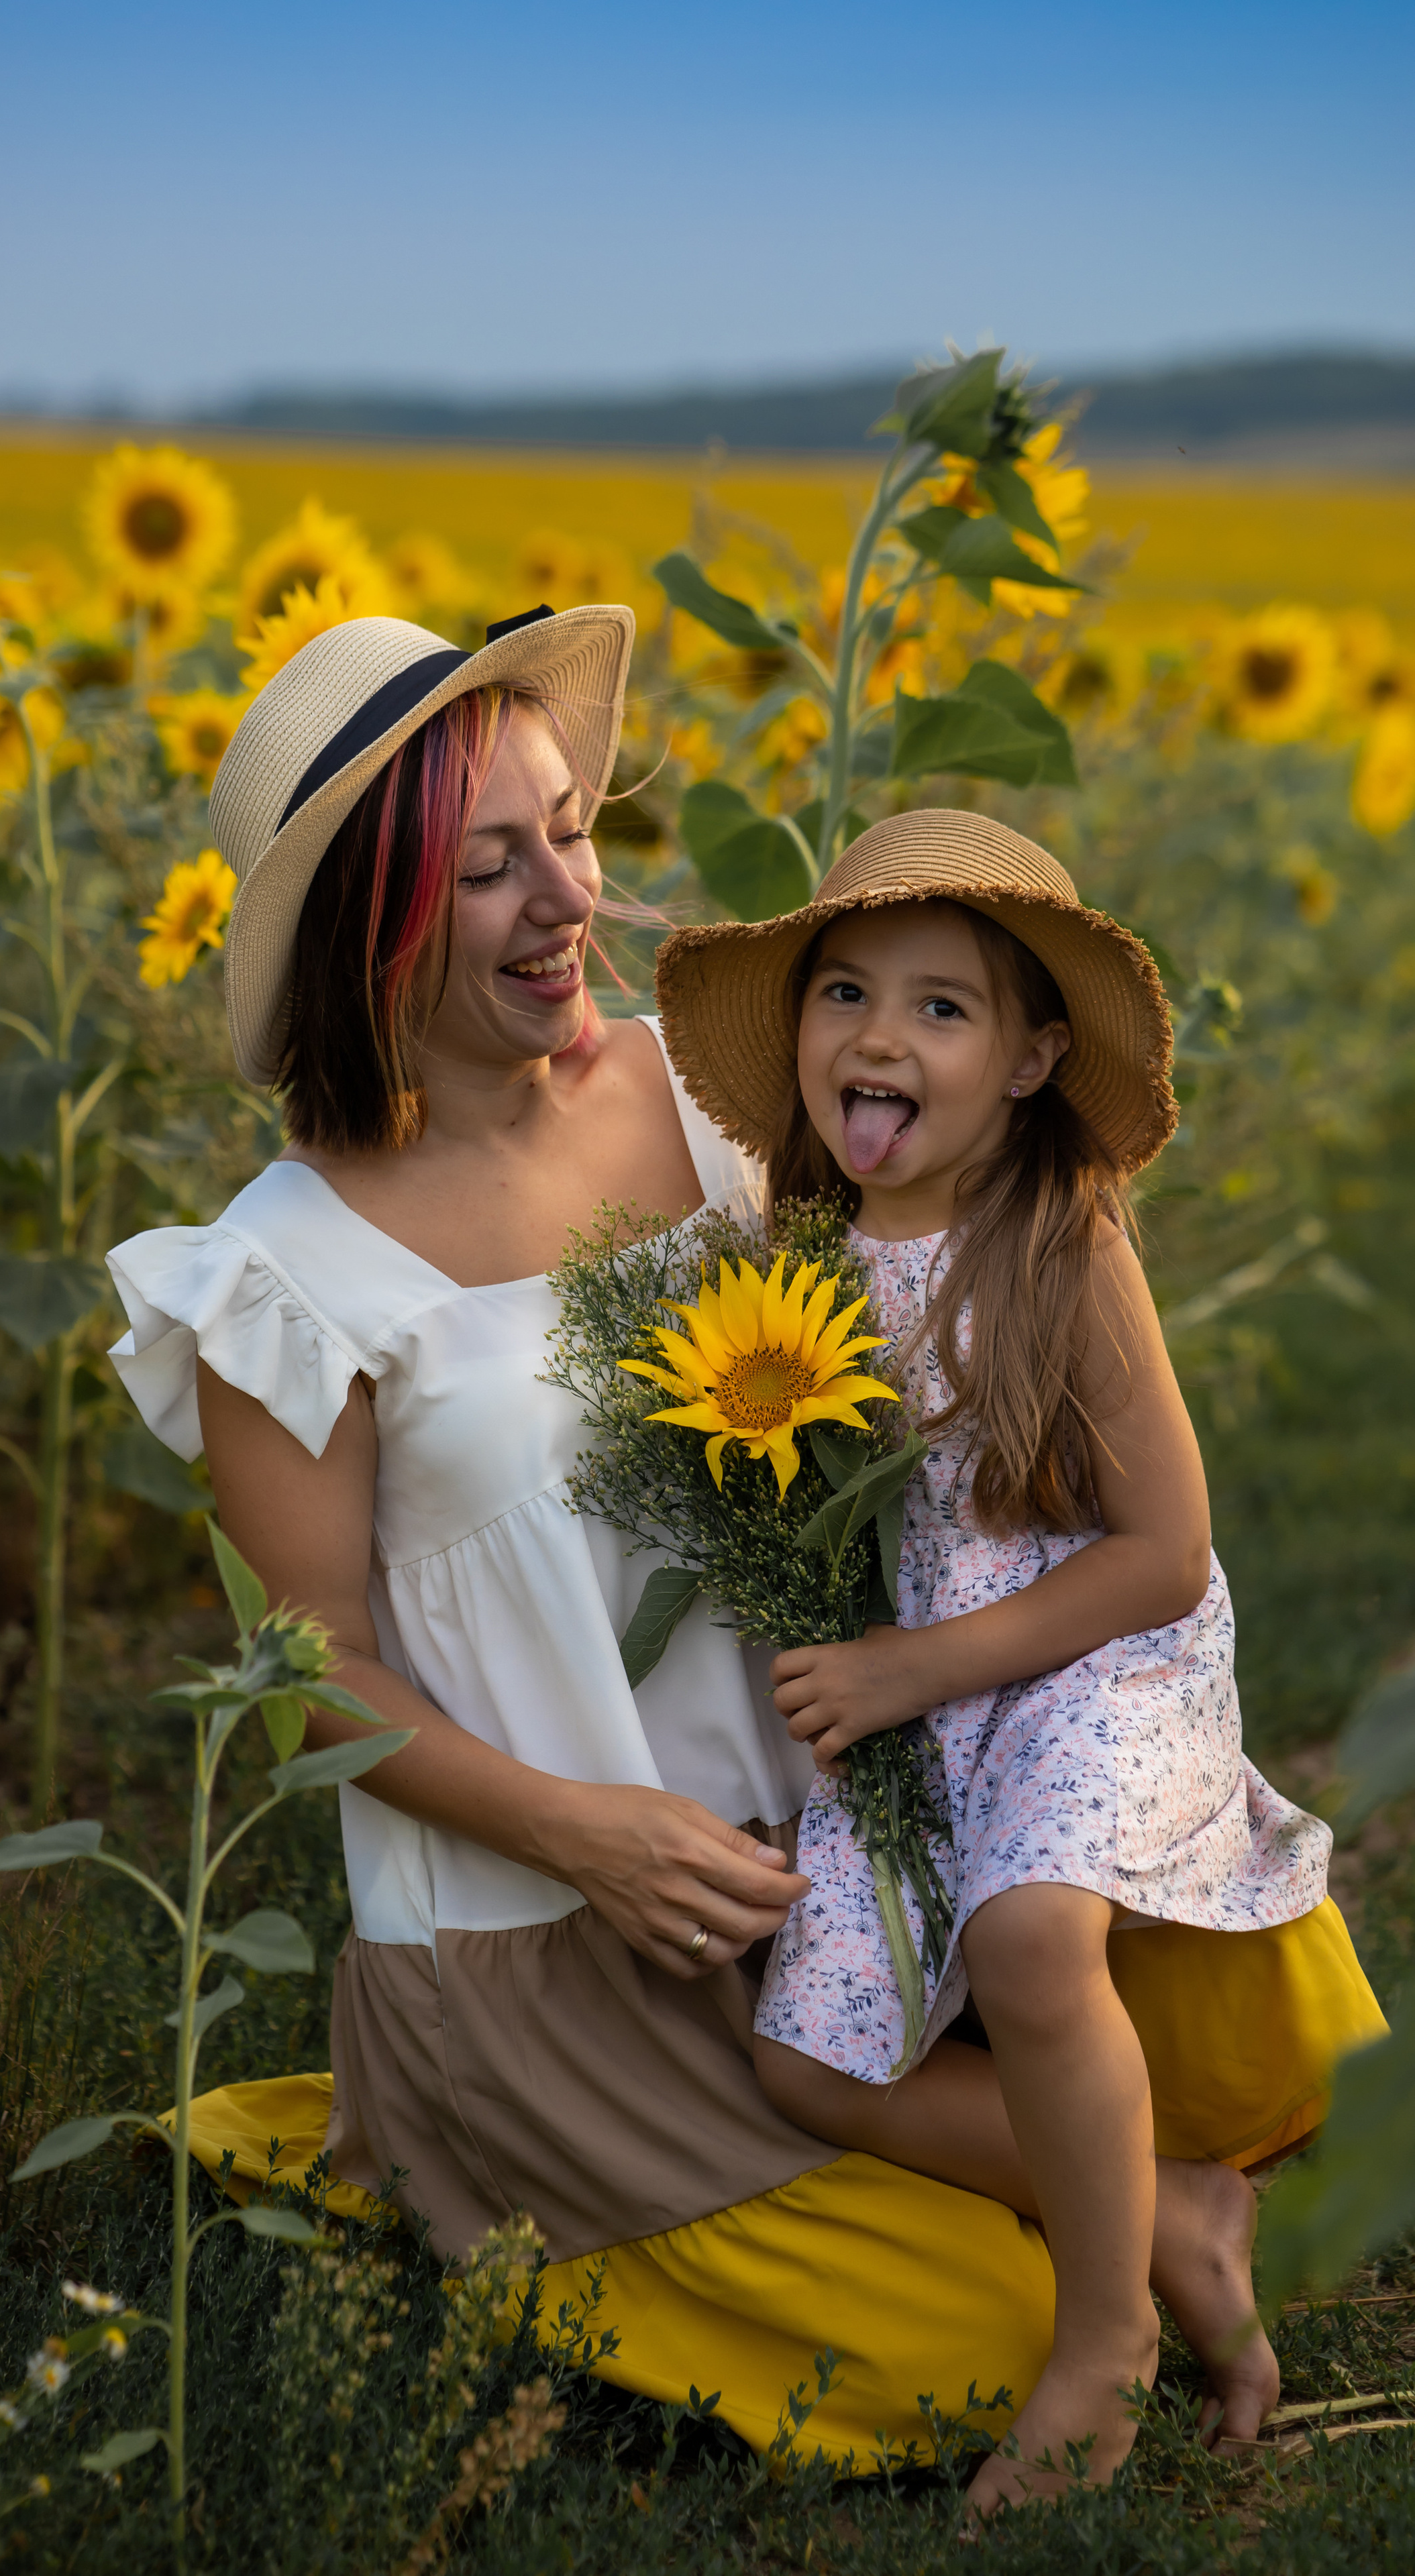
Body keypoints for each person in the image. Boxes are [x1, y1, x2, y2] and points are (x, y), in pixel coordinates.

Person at [106, 605, 1063, 2465]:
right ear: (371, 923)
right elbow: (307, 1681)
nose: (572, 898)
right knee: (988, 2336)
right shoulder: (281, 1279)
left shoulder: (704, 1088)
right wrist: (590, 1834)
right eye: (492, 868)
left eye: (570, 827)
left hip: (829, 1855)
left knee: (1217, 2048)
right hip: (558, 1944)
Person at [653, 808, 1387, 2508]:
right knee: (808, 2055)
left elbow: (1162, 1553)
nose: (878, 1037)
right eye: (843, 992)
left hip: (1084, 1660)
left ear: (1032, 1059)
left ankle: (1097, 2344)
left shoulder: (1058, 1247)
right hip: (916, 1682)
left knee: (1029, 1941)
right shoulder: (796, 1263)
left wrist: (912, 1673)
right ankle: (1179, 2206)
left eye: (941, 1008)